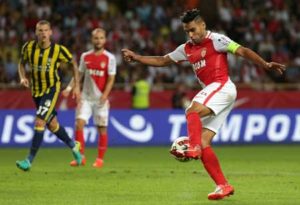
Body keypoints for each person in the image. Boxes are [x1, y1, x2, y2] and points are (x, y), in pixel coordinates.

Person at [122, 9, 285, 200]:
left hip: (222, 85)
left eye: (192, 30)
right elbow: (163, 60)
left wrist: (264, 64)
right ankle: (223, 185)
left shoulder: (216, 40)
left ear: (202, 25)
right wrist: (137, 57)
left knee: (192, 110)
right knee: (204, 142)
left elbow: (242, 51)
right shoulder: (186, 48)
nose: (190, 34)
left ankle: (192, 147)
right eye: (187, 31)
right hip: (218, 92)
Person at [16, 20, 82, 171]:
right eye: (40, 30)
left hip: (51, 89)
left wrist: (76, 86)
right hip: (36, 91)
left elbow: (74, 64)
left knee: (40, 122)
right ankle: (74, 146)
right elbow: (21, 63)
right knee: (52, 125)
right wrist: (22, 77)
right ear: (36, 32)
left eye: (46, 30)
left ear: (51, 32)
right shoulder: (28, 47)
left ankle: (29, 160)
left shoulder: (58, 50)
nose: (43, 33)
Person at [63, 28, 116, 168]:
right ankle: (81, 157)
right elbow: (78, 75)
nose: (98, 40)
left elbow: (111, 79)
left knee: (101, 129)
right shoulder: (85, 56)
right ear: (92, 40)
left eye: (101, 38)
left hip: (100, 99)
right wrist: (69, 88)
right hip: (85, 98)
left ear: (105, 40)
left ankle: (100, 159)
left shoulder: (110, 58)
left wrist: (105, 95)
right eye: (96, 38)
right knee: (79, 124)